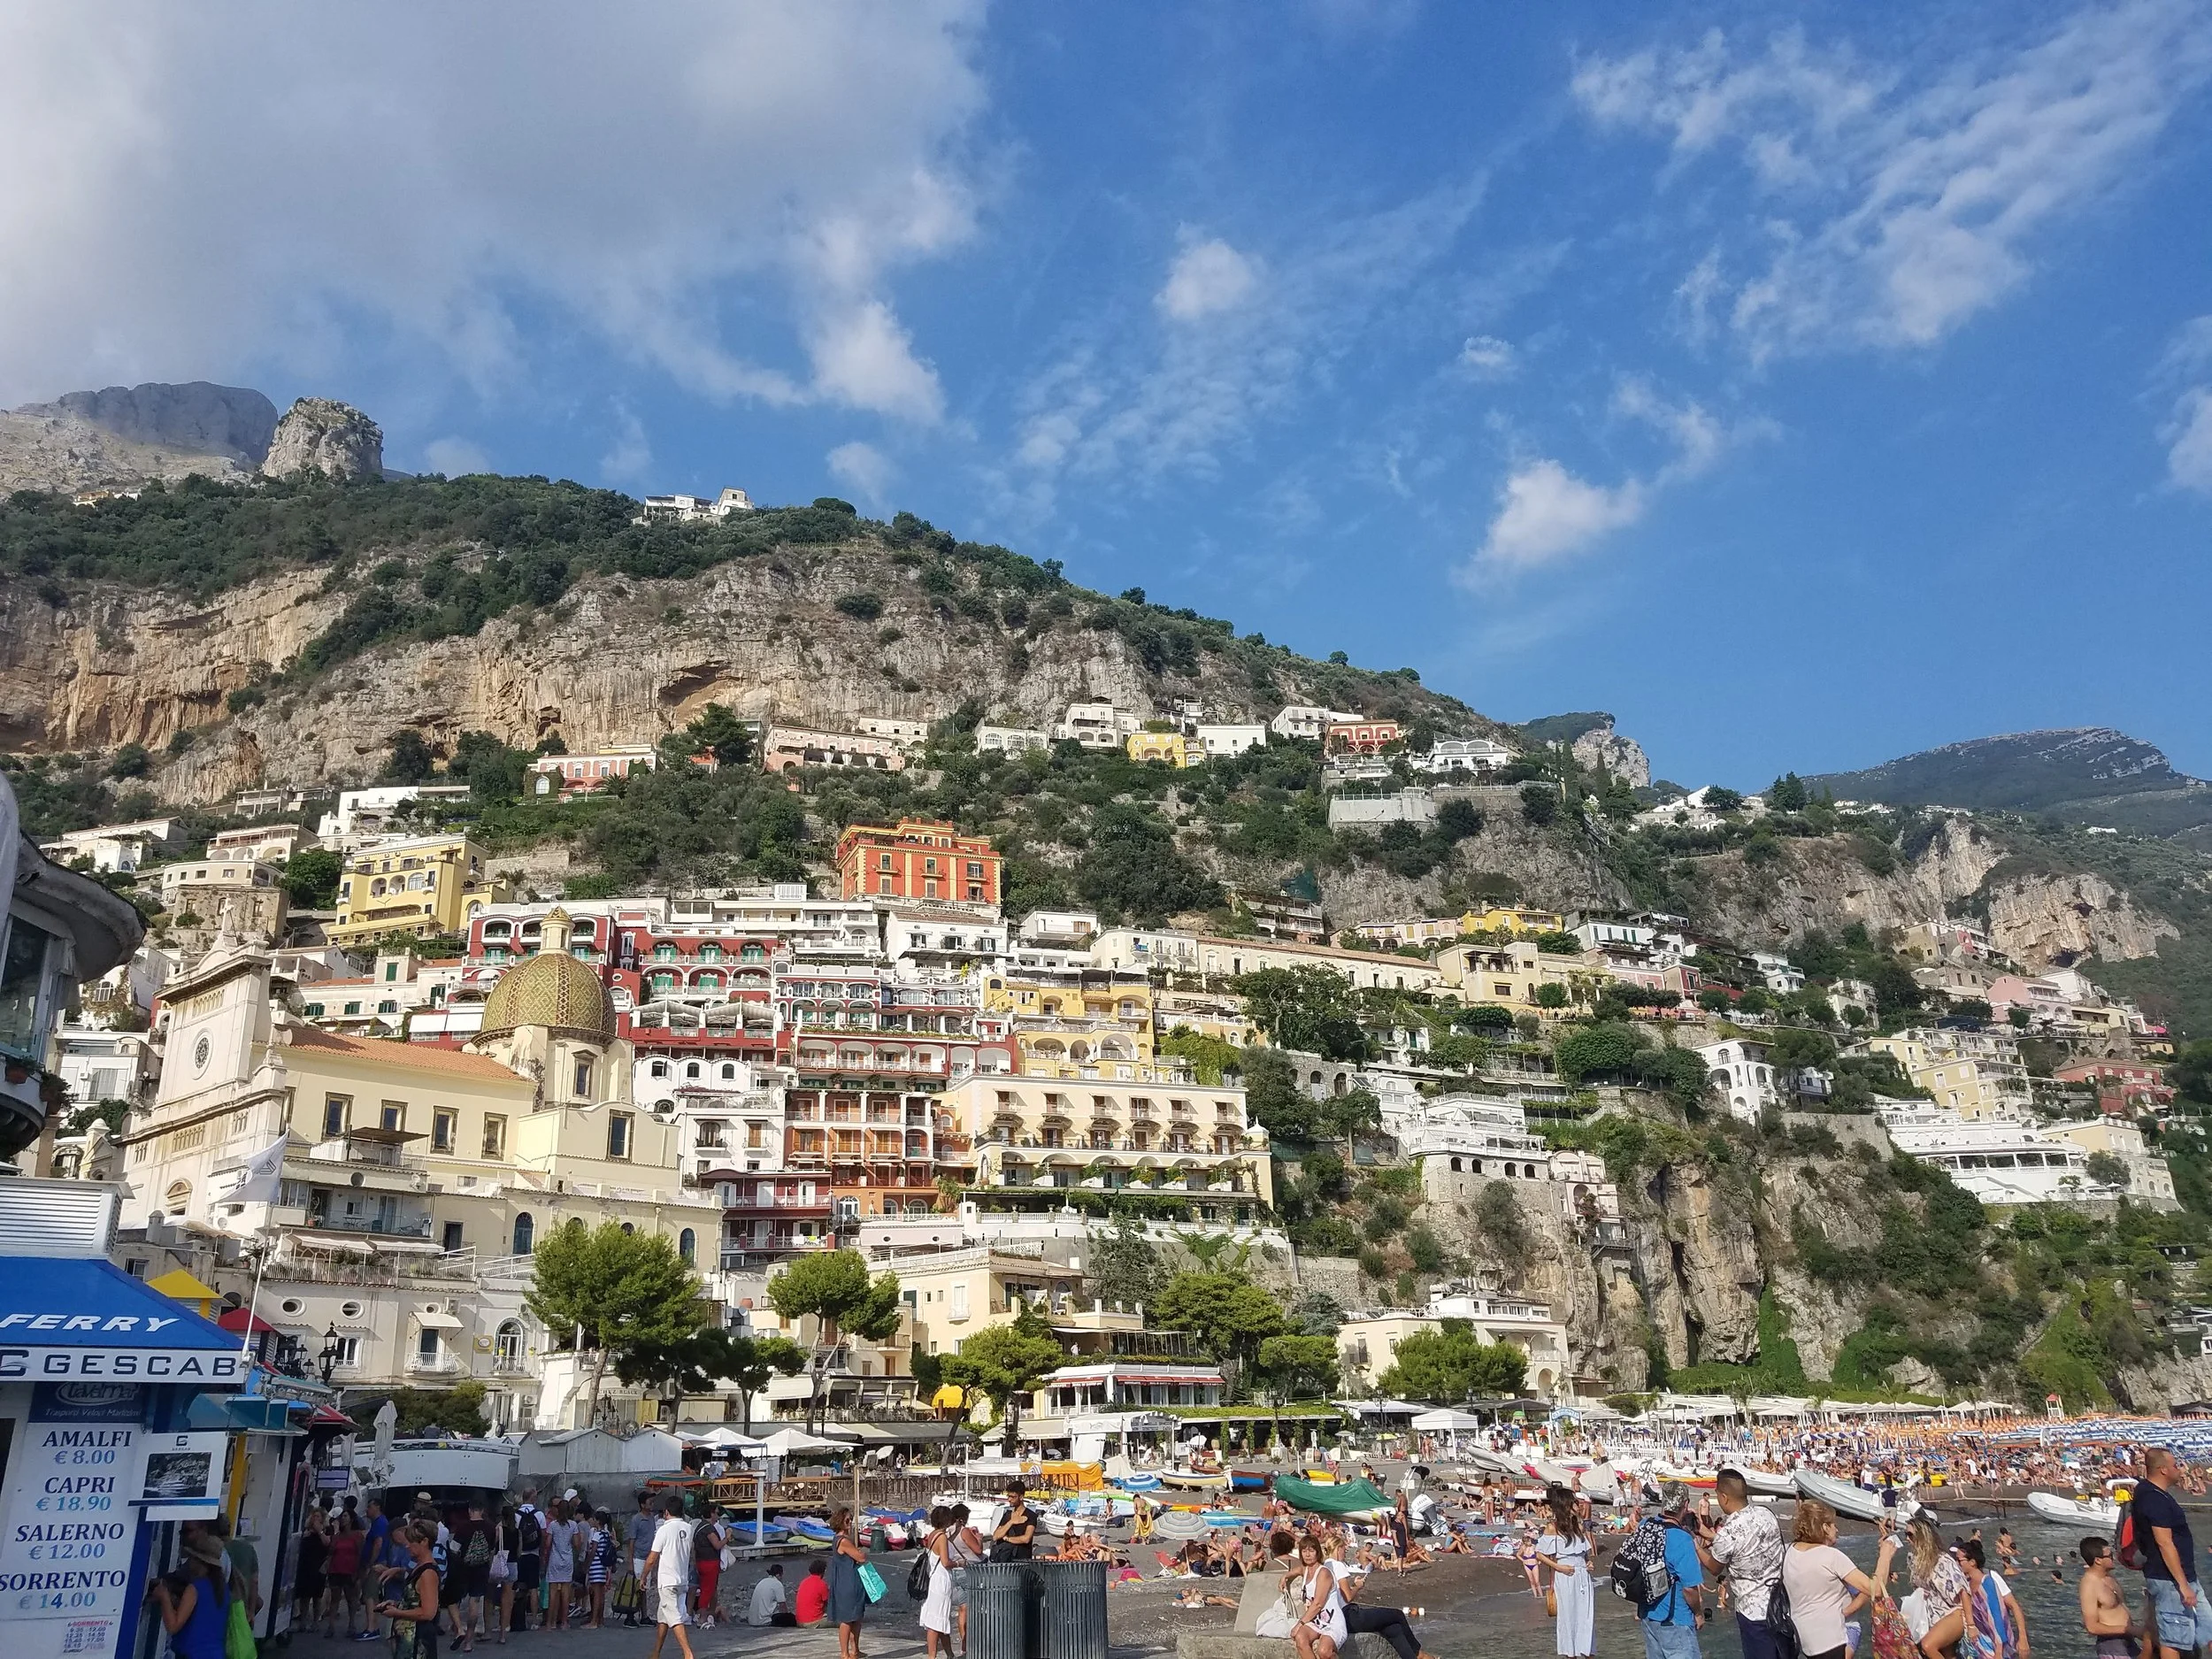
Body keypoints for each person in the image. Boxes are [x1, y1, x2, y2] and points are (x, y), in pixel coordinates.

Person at [1782, 1499, 1896, 1659]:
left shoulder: (1790, 1552)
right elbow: (1875, 1589)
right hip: (1830, 1639)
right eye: (1833, 1524)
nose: (1837, 1528)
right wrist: (1885, 1556)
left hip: (1804, 1639)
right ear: (1824, 1527)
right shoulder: (1830, 1556)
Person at [1700, 1470, 1785, 1659]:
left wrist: (1695, 1547)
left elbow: (1714, 1568)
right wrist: (1713, 1536)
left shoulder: (1728, 1532)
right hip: (1780, 1604)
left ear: (1724, 1497)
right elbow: (1747, 1542)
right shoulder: (1767, 1514)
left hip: (1752, 1611)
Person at [2135, 1448, 2211, 1659]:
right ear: (2163, 1470)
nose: (2180, 1469)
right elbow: (2164, 1542)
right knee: (2173, 1640)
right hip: (2170, 1580)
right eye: (2176, 1465)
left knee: (2208, 1628)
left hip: (2184, 1577)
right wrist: (2182, 1584)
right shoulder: (2153, 1499)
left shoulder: (2152, 1493)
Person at [1641, 1482, 1707, 1659]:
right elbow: (1689, 1589)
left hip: (1648, 1614)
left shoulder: (1645, 1525)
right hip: (1675, 1618)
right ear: (1685, 1505)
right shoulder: (1682, 1539)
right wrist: (1699, 1614)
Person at [1533, 1486, 1595, 1659]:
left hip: (1583, 1575)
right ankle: (1570, 1654)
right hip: (1565, 1574)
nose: (1578, 1505)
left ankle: (1587, 1652)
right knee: (1569, 1617)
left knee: (1586, 1617)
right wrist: (1558, 1567)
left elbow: (1585, 1554)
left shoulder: (1579, 1526)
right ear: (1565, 1505)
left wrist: (1588, 1562)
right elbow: (1539, 1554)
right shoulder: (1552, 1528)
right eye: (1574, 1502)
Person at [150, 1532, 234, 1659]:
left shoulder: (195, 1588)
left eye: (191, 1557)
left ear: (199, 1561)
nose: (189, 1562)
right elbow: (203, 1616)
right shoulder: (224, 1590)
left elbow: (173, 1626)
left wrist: (164, 1596)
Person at [1902, 1515, 1971, 1659]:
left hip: (1954, 1613)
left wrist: (1971, 1625)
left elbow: (1964, 1590)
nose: (1907, 1538)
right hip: (1931, 1615)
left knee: (1929, 1646)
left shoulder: (1943, 1560)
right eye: (1905, 1534)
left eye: (1910, 1534)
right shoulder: (1914, 1559)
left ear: (1923, 1536)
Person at [376, 1524, 444, 1659]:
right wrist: (397, 1604)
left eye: (411, 1542)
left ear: (424, 1542)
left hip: (418, 1640)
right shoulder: (419, 1567)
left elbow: (428, 1613)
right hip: (410, 1638)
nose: (407, 1546)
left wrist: (397, 1612)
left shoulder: (428, 1573)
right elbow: (416, 1600)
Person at [644, 1495, 696, 1659]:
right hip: (682, 1578)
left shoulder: (664, 1530)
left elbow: (652, 1557)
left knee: (674, 1618)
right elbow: (692, 1552)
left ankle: (688, 1653)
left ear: (666, 1512)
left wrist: (644, 1576)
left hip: (667, 1580)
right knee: (664, 1617)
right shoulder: (688, 1528)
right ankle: (656, 1653)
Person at [1290, 1534, 1348, 1659]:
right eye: (1304, 1551)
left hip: (1332, 1621)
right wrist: (1285, 1576)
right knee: (1300, 1638)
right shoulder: (1306, 1570)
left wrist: (1300, 1624)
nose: (1307, 1555)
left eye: (1311, 1551)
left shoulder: (1323, 1573)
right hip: (1316, 1621)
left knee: (1324, 1652)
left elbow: (1318, 1604)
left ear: (1318, 1552)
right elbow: (1299, 1570)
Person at [825, 1507, 872, 1659]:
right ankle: (846, 1653)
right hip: (848, 1582)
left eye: (850, 1520)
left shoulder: (837, 1540)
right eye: (847, 1520)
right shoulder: (843, 1541)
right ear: (840, 1522)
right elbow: (861, 1558)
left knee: (856, 1617)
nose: (850, 1522)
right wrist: (861, 1552)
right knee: (847, 1619)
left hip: (845, 1580)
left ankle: (855, 1651)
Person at [2079, 1536, 2138, 1659]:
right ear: (2098, 1560)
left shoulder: (2109, 1578)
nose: (2114, 1558)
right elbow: (2091, 1627)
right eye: (2110, 1556)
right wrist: (2129, 1630)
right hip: (2111, 1645)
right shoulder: (2089, 1585)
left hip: (2129, 1640)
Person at [451, 1502, 494, 1651]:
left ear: (470, 1511)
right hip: (481, 1569)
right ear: (482, 1510)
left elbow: (454, 1549)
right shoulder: (490, 1527)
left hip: (463, 1568)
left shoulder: (463, 1527)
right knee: (474, 1604)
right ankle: (468, 1642)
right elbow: (491, 1549)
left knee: (453, 1600)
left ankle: (458, 1628)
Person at [945, 1502, 986, 1655]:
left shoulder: (947, 1532)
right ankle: (968, 1645)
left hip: (955, 1571)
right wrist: (979, 1538)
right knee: (971, 1609)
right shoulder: (964, 1531)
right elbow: (978, 1550)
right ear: (962, 1518)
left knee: (962, 1608)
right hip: (969, 1571)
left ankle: (964, 1645)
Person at [921, 1506, 957, 1659]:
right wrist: (959, 1563)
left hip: (934, 1578)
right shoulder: (941, 1537)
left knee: (940, 1618)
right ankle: (932, 1656)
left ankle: (950, 1654)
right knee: (936, 1621)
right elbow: (945, 1562)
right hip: (941, 1579)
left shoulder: (932, 1535)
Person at [327, 1509, 365, 1639]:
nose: (343, 1519)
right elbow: (331, 1550)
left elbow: (360, 1553)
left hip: (350, 1570)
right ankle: (331, 1626)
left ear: (351, 1519)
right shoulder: (337, 1536)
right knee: (335, 1599)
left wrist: (358, 1572)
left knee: (351, 1599)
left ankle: (352, 1624)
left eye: (345, 1516)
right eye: (341, 1517)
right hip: (336, 1569)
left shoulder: (357, 1536)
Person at [626, 1494, 659, 1629]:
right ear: (642, 1504)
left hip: (648, 1557)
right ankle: (630, 1615)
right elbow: (632, 1541)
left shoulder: (651, 1519)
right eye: (650, 1502)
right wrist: (630, 1562)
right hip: (638, 1557)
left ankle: (644, 1615)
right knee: (636, 1588)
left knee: (644, 1588)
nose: (652, 1505)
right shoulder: (636, 1520)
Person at [361, 1500, 393, 1641]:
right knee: (371, 1595)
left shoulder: (380, 1523)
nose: (367, 1510)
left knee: (370, 1594)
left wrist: (370, 1563)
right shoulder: (379, 1523)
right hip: (378, 1562)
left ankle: (371, 1628)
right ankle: (372, 1626)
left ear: (377, 1507)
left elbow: (378, 1543)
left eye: (369, 1506)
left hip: (377, 1563)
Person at [543, 1499, 576, 1632]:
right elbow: (577, 1543)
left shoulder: (553, 1525)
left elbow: (547, 1543)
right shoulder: (573, 1525)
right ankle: (564, 1622)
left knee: (553, 1593)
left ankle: (550, 1623)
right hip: (567, 1560)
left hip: (555, 1560)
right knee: (565, 1593)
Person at [296, 1510, 332, 1632]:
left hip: (318, 1566)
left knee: (317, 1597)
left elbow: (327, 1543)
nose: (315, 1518)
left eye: (318, 1516)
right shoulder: (306, 1532)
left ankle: (316, 1621)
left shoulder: (326, 1530)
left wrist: (319, 1531)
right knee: (304, 1596)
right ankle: (303, 1621)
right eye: (313, 1516)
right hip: (305, 1566)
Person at [511, 1501, 542, 1634]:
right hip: (534, 1554)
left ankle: (510, 1620)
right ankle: (535, 1621)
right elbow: (543, 1535)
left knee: (515, 1588)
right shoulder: (539, 1514)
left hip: (520, 1555)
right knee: (534, 1588)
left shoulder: (516, 1515)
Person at [692, 1508, 723, 1628]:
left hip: (700, 1562)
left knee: (708, 1589)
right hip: (710, 1562)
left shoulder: (698, 1527)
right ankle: (703, 1618)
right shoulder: (709, 1529)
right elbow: (717, 1545)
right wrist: (727, 1538)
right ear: (711, 1514)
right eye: (717, 1513)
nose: (718, 1516)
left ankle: (706, 1615)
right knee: (707, 1590)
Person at [992, 1482, 1036, 1560]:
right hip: (1005, 1559)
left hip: (1022, 1559)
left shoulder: (1031, 1515)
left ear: (1021, 1497)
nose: (1009, 1499)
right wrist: (1011, 1522)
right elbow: (995, 1536)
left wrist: (1007, 1539)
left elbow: (1026, 1539)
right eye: (1008, 1496)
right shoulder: (1008, 1515)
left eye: (1013, 1497)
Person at [749, 1563, 792, 1627]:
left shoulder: (762, 1581)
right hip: (765, 1621)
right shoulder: (777, 1584)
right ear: (778, 1575)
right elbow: (782, 1605)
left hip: (752, 1621)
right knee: (791, 1618)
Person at [795, 1560, 831, 1625]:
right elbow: (829, 1602)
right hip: (813, 1622)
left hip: (799, 1621)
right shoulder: (821, 1584)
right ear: (823, 1571)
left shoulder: (804, 1582)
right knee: (844, 1622)